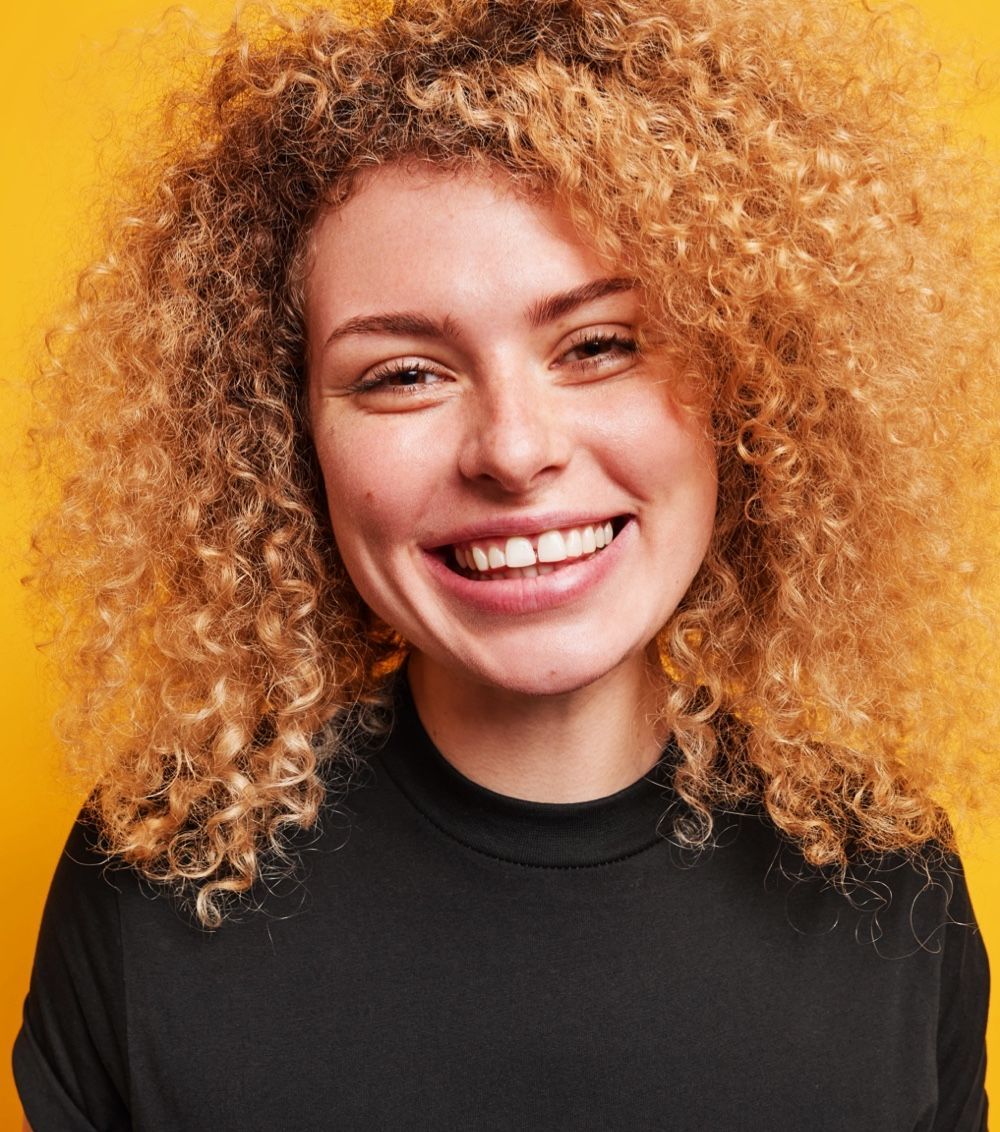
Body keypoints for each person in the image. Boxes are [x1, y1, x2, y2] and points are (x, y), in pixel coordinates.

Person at [13, 0, 998, 1128]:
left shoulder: (889, 889)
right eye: (402, 374)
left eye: (599, 346)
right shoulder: (154, 880)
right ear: (284, 440)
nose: (515, 451)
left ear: (749, 382)